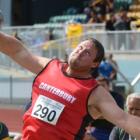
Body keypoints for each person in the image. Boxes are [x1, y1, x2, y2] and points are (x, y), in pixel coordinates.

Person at [0, 32, 140, 140]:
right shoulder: (49, 66)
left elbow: (124, 119)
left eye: (87, 53)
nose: (80, 52)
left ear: (94, 64)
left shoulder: (94, 92)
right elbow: (17, 50)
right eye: (80, 47)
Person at [83, 76, 124, 140]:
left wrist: (97, 113)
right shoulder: (92, 96)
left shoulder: (117, 97)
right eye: (98, 86)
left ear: (108, 86)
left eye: (103, 86)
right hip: (94, 129)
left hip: (111, 130)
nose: (100, 89)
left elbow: (118, 115)